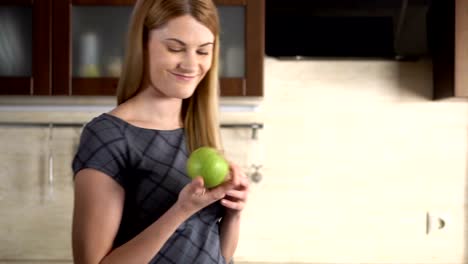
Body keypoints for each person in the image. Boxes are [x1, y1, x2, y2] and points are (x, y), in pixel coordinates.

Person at [71, 0, 249, 263]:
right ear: (143, 45)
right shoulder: (109, 136)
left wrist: (233, 212)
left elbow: (221, 254)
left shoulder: (199, 130)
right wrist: (181, 210)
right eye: (175, 48)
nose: (191, 64)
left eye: (203, 51)